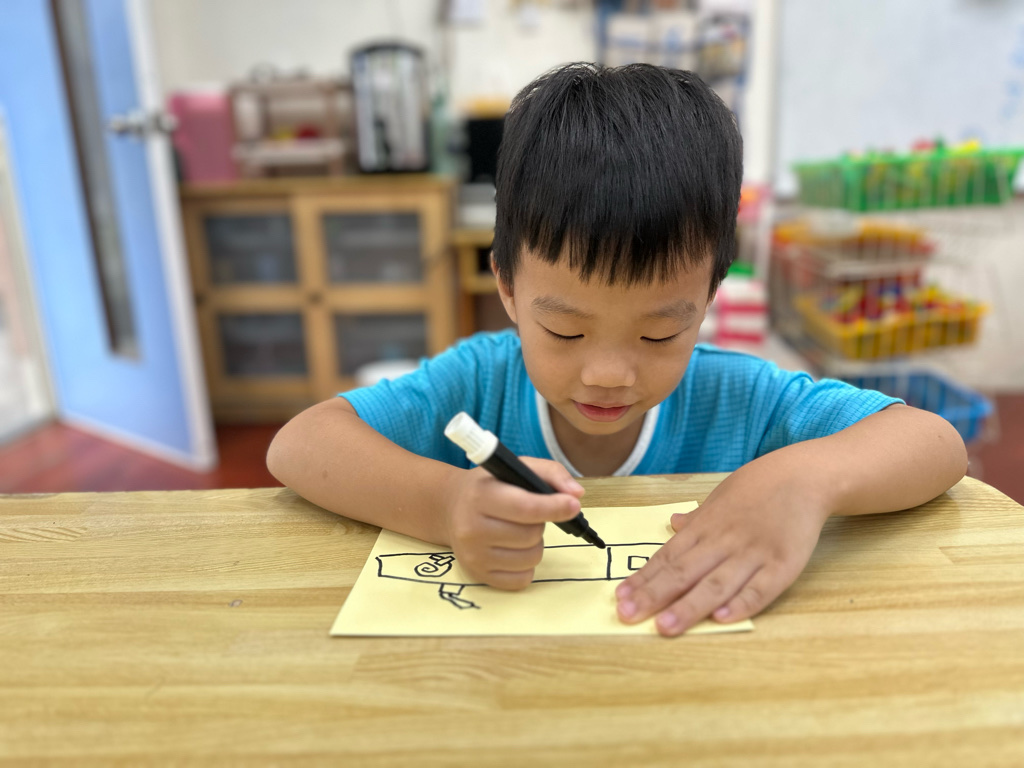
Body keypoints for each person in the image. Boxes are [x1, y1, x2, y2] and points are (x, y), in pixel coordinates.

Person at [267, 63, 966, 636]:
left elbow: (935, 443)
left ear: (709, 296)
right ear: (507, 287)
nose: (607, 374)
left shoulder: (740, 398)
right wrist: (446, 503)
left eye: (659, 333)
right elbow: (301, 445)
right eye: (565, 332)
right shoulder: (478, 382)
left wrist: (805, 481)